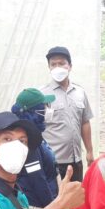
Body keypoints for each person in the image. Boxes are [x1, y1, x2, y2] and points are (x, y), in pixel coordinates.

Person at [11, 88, 63, 209]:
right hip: (39, 208)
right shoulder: (29, 143)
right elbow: (37, 180)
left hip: (44, 206)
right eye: (44, 106)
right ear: (33, 112)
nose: (48, 110)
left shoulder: (34, 135)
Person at [40, 46, 95, 182]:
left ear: (69, 66)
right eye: (54, 64)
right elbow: (34, 127)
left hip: (76, 160)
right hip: (53, 161)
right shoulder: (41, 94)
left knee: (76, 199)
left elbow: (85, 122)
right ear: (49, 67)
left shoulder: (80, 92)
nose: (58, 67)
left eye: (62, 63)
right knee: (56, 200)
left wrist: (89, 151)